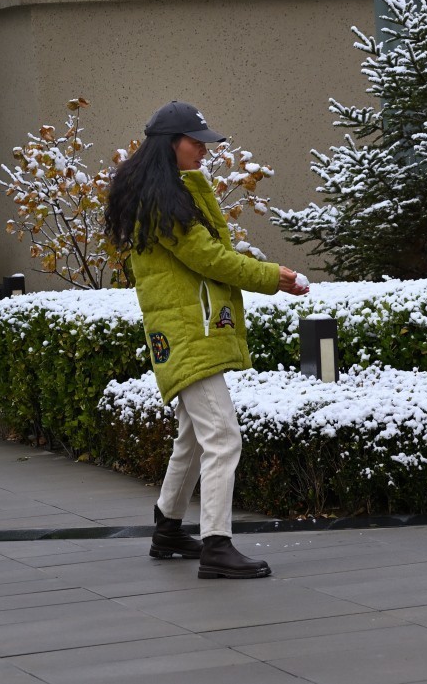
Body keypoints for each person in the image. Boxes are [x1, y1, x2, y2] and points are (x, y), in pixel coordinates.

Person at [104, 101, 309, 579]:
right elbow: (211, 259)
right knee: (222, 435)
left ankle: (168, 529)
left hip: (185, 330)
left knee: (195, 436)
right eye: (195, 142)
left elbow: (209, 253)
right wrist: (273, 277)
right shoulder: (163, 205)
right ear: (169, 144)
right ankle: (217, 545)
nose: (203, 150)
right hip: (186, 332)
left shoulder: (167, 194)